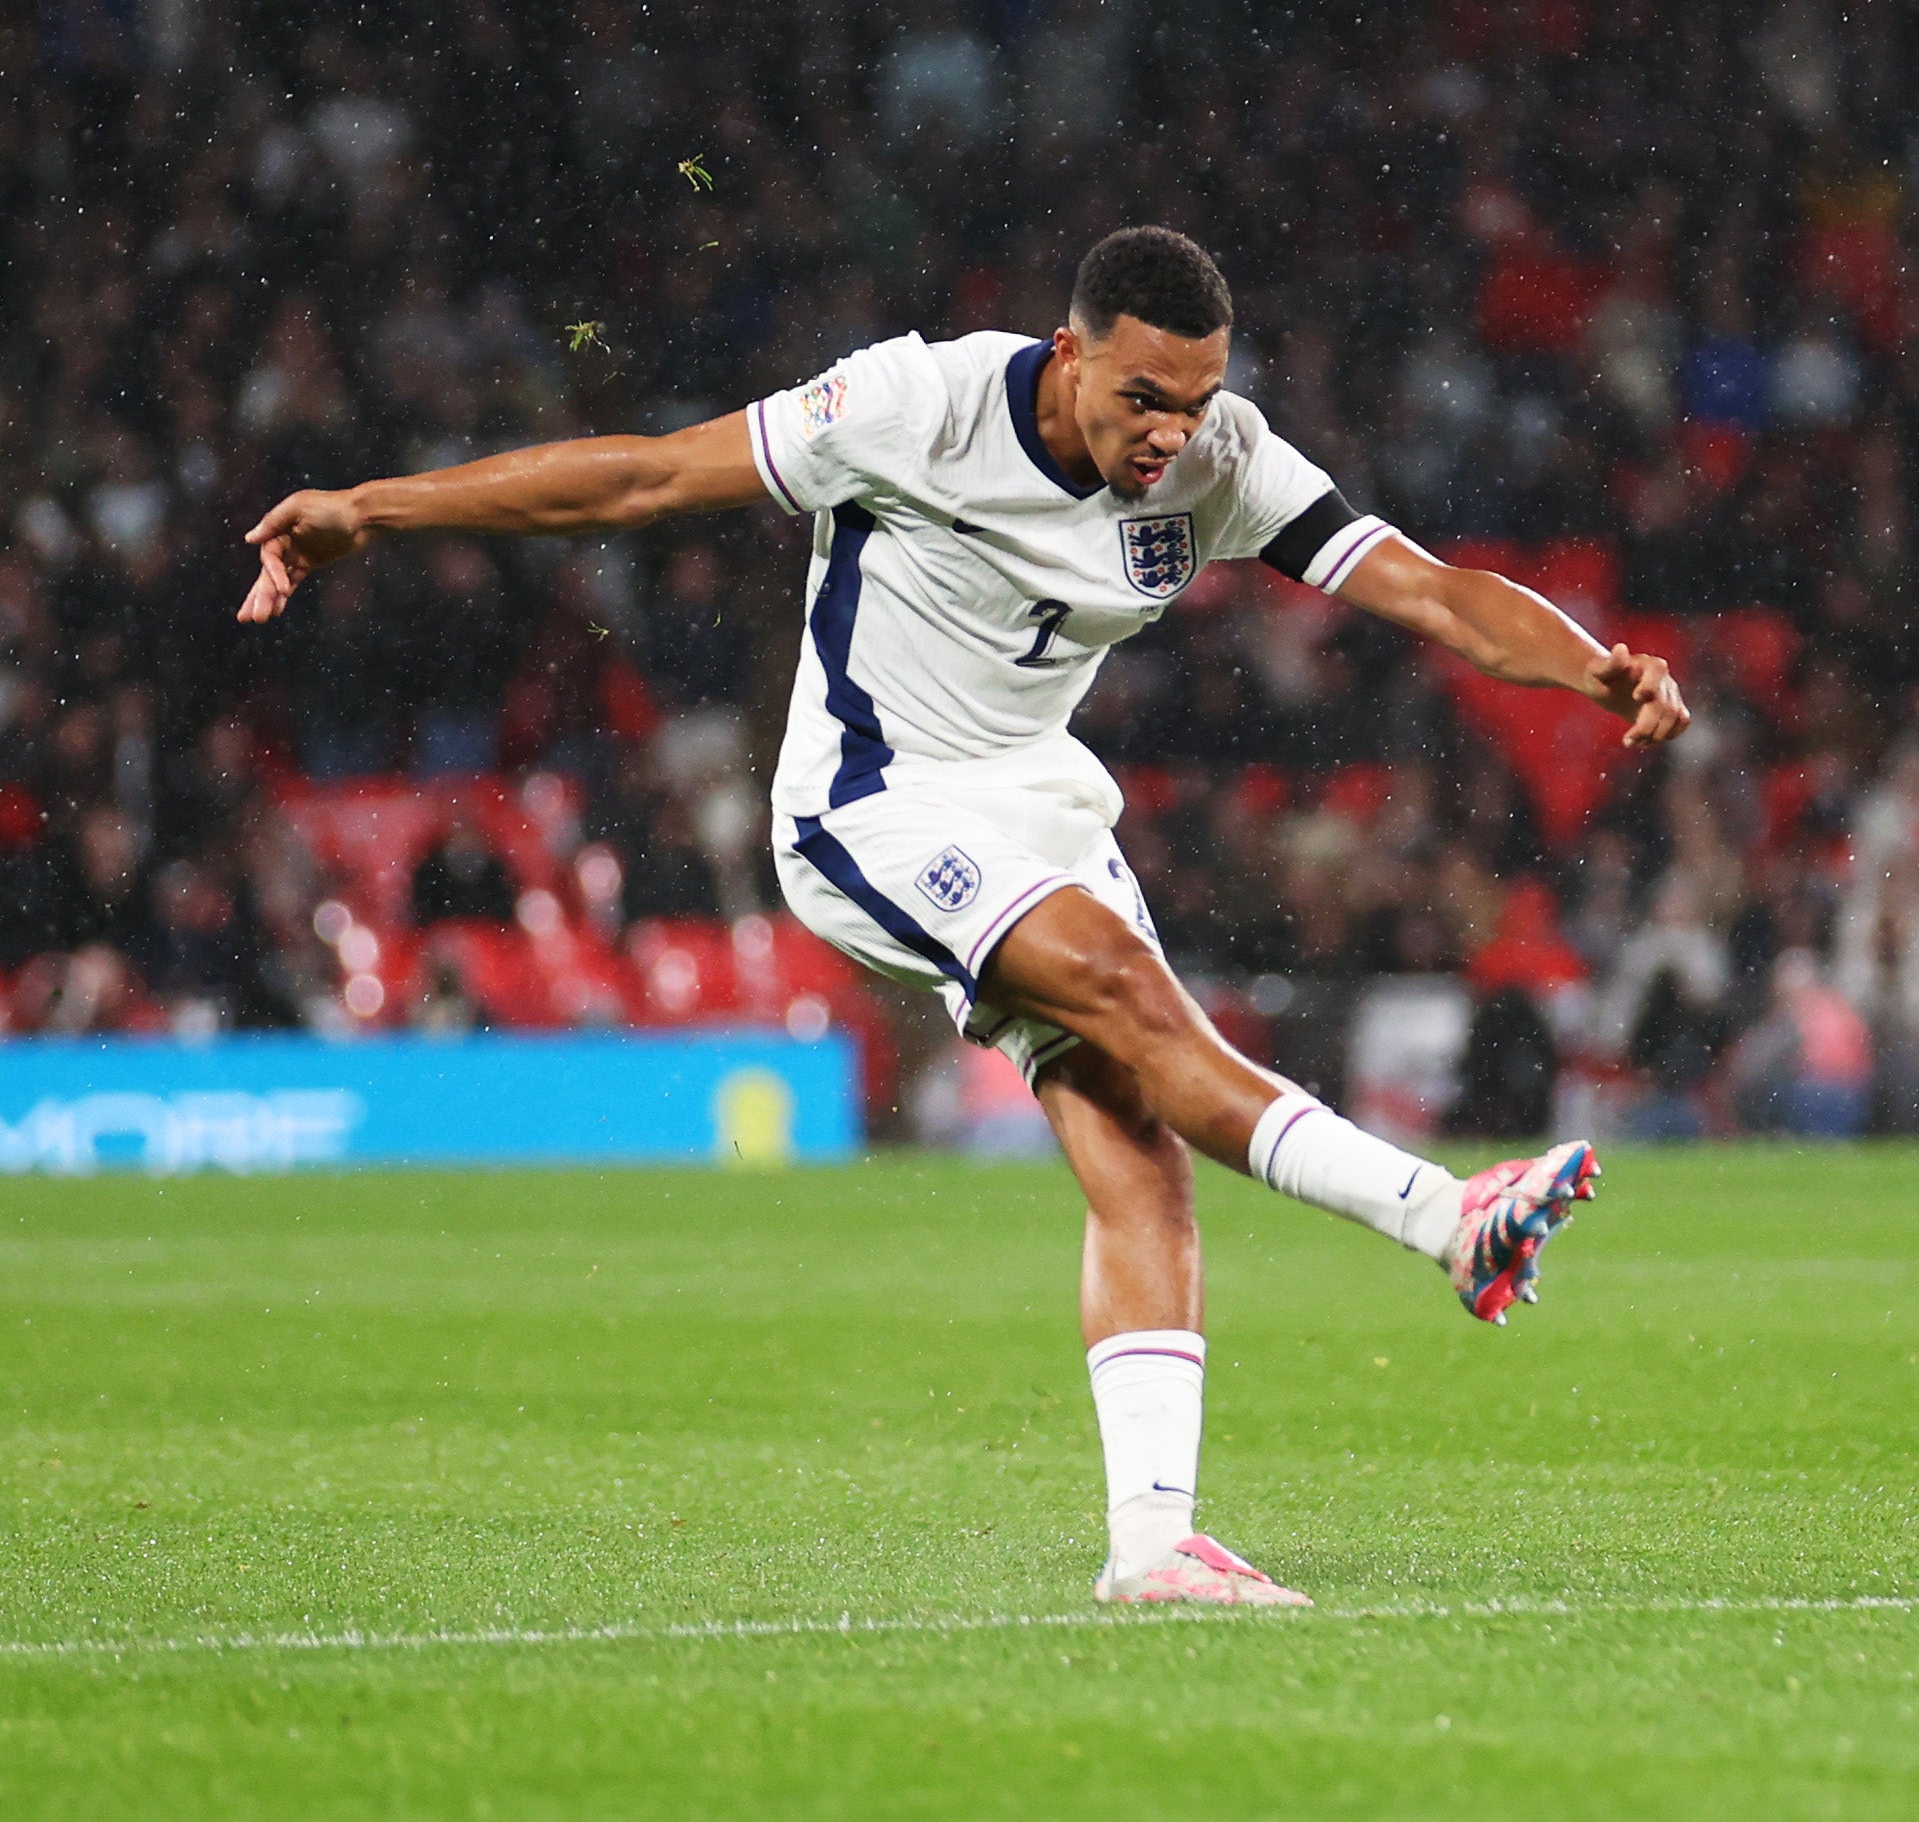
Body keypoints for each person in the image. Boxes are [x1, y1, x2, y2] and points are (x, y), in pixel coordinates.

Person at [235, 226, 1690, 1609]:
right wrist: (376, 508)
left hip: (1035, 801)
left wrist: (1592, 667)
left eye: (1194, 400)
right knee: (1125, 991)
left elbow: (1431, 591)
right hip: (873, 803)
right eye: (1142, 396)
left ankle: (1153, 1547)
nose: (1170, 434)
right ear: (1069, 352)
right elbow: (644, 479)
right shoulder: (913, 406)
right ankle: (1444, 1217)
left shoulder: (1221, 460)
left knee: (1135, 1148)